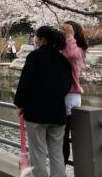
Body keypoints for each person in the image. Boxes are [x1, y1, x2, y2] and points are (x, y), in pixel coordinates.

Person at [14, 26, 72, 177]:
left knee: (38, 153)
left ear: (43, 39)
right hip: (58, 114)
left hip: (36, 113)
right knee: (57, 153)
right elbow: (67, 85)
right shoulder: (63, 60)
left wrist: (20, 104)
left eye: (37, 37)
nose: (35, 40)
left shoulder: (34, 56)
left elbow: (25, 82)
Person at [61, 21, 88, 165]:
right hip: (63, 96)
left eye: (65, 31)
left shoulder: (78, 51)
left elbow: (71, 55)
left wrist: (70, 36)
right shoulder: (65, 48)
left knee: (63, 137)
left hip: (70, 97)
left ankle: (62, 169)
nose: (63, 34)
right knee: (61, 137)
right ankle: (60, 169)